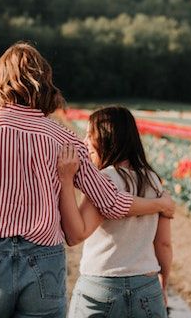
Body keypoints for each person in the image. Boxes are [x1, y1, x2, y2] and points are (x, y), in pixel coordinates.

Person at [0, 42, 174, 318]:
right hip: (44, 259)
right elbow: (112, 203)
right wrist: (159, 205)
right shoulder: (64, 139)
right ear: (43, 82)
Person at [58, 106, 172, 318]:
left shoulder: (104, 180)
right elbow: (163, 244)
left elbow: (76, 234)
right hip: (146, 285)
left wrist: (65, 180)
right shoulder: (154, 181)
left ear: (106, 139)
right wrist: (163, 285)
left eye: (90, 136)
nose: (85, 143)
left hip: (101, 286)